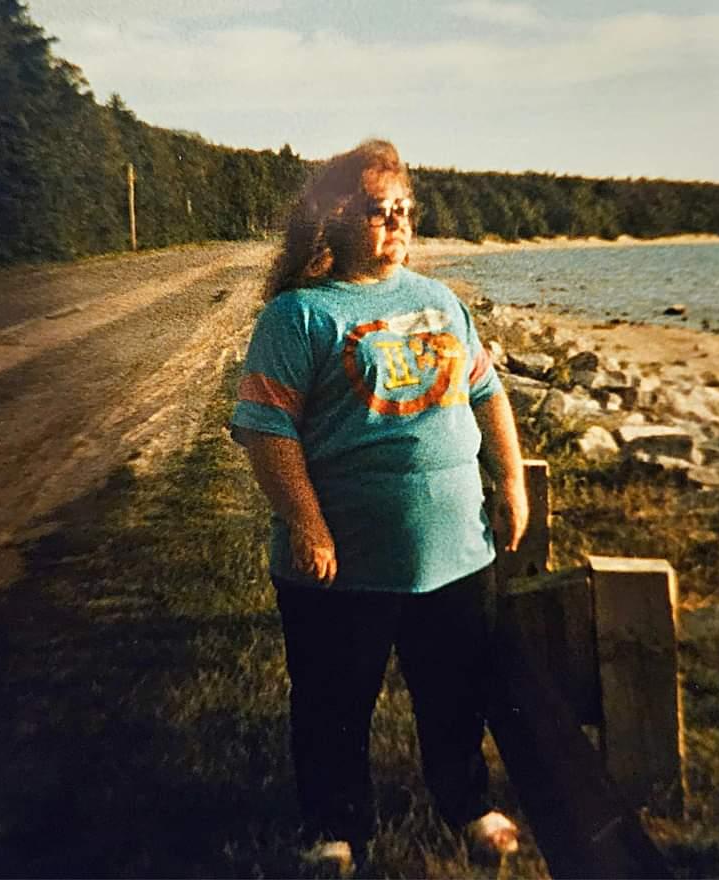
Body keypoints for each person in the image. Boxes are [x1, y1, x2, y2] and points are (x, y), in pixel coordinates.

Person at [230, 139, 529, 874]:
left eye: (405, 210)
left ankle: (467, 805)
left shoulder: (440, 301)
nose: (396, 223)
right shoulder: (298, 315)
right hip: (343, 560)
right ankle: (334, 830)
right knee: (334, 703)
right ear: (332, 217)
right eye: (377, 210)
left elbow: (488, 395)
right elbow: (266, 431)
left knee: (456, 690)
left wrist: (512, 484)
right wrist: (306, 523)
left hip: (455, 549)